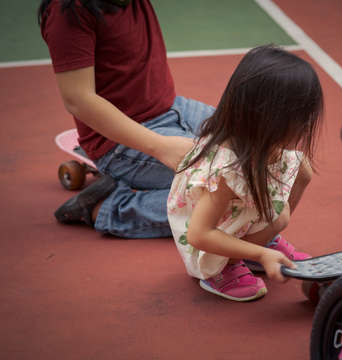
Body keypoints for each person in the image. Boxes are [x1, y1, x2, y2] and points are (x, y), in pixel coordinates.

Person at [38, 0, 214, 238]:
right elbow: (77, 99)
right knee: (229, 192)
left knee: (258, 150)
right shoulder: (69, 11)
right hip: (120, 142)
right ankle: (110, 209)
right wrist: (160, 147)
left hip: (174, 108)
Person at [167, 45, 324, 301]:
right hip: (206, 243)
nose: (307, 126)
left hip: (238, 215)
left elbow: (299, 175)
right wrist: (260, 254)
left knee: (302, 170)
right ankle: (224, 267)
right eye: (300, 119)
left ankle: (261, 240)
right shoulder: (226, 170)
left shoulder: (266, 144)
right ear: (268, 118)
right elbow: (198, 234)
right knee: (279, 216)